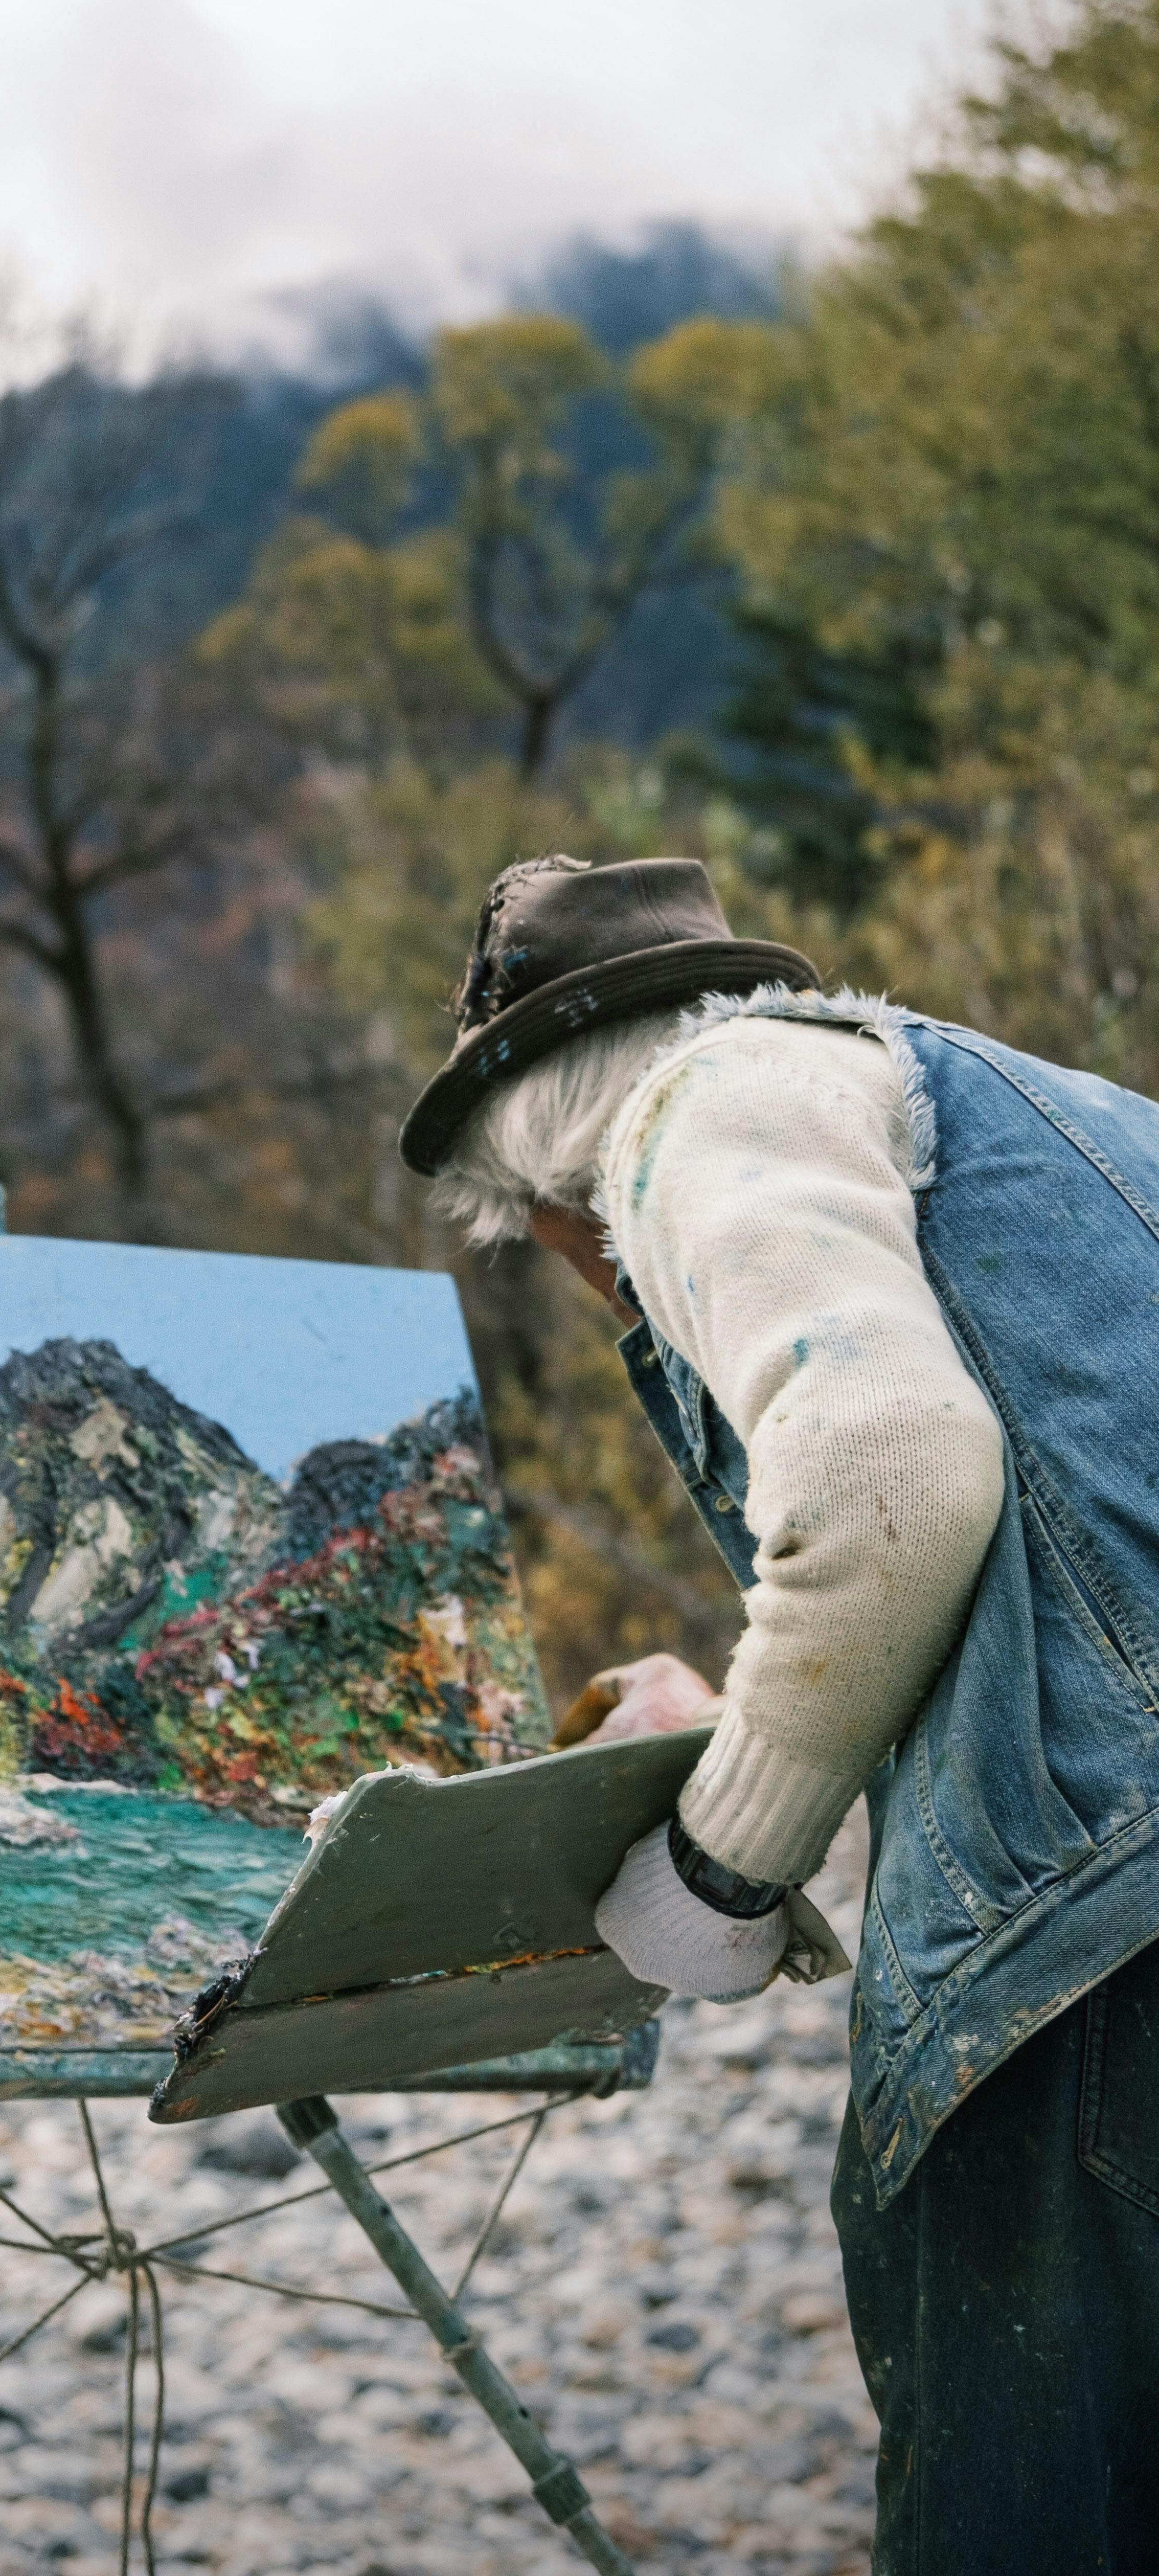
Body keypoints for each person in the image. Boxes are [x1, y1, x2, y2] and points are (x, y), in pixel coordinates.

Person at [402, 854, 1159, 2574]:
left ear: (552, 1185)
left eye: (566, 1251)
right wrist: (738, 1689)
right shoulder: (1063, 1112)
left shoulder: (700, 1105)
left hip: (1114, 1945)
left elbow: (891, 1475)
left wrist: (720, 1864)